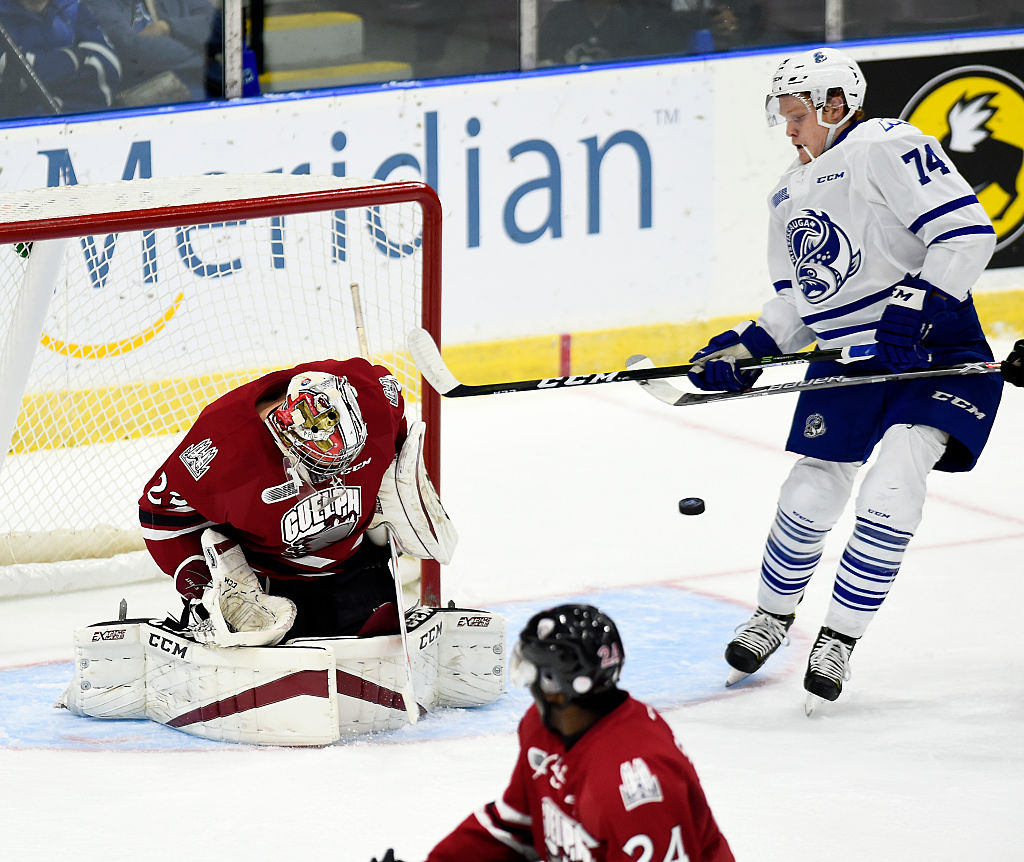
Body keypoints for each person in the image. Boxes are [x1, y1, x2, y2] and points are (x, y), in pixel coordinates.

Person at [685, 47, 1003, 712]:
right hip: (850, 361)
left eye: (797, 112)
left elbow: (967, 234)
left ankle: (839, 639)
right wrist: (748, 347)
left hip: (934, 354)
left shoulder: (885, 145)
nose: (788, 126)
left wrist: (920, 305)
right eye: (783, 114)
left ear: (836, 105)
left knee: (894, 485)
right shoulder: (786, 193)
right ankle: (772, 618)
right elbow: (803, 304)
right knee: (809, 491)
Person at [370, 604, 734, 862]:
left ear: (560, 686)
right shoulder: (542, 727)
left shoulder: (636, 786)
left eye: (533, 672)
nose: (527, 684)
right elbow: (516, 825)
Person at [139, 357, 455, 645]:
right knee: (274, 660)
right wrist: (205, 591)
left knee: (380, 640)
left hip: (358, 565)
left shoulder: (375, 396)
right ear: (282, 435)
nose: (336, 477)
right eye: (321, 468)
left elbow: (396, 431)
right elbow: (160, 516)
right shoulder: (220, 448)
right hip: (267, 588)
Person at [0, 0, 121, 114]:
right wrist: (76, 57)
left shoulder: (73, 8)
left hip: (89, 126)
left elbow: (111, 68)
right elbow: (11, 83)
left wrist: (60, 62)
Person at [83, 0, 221, 100]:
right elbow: (132, 50)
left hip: (207, 90)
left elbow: (218, 27)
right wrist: (200, 54)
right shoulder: (99, 3)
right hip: (145, 103)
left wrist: (167, 27)